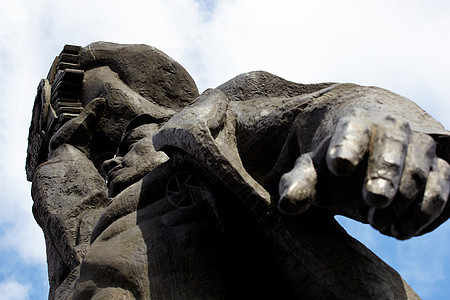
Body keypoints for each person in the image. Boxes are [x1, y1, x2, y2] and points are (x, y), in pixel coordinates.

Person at [27, 42, 449, 299]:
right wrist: (62, 159)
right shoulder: (100, 230)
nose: (111, 161)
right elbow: (74, 243)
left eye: (125, 140)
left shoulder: (203, 135)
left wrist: (367, 123)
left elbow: (309, 110)